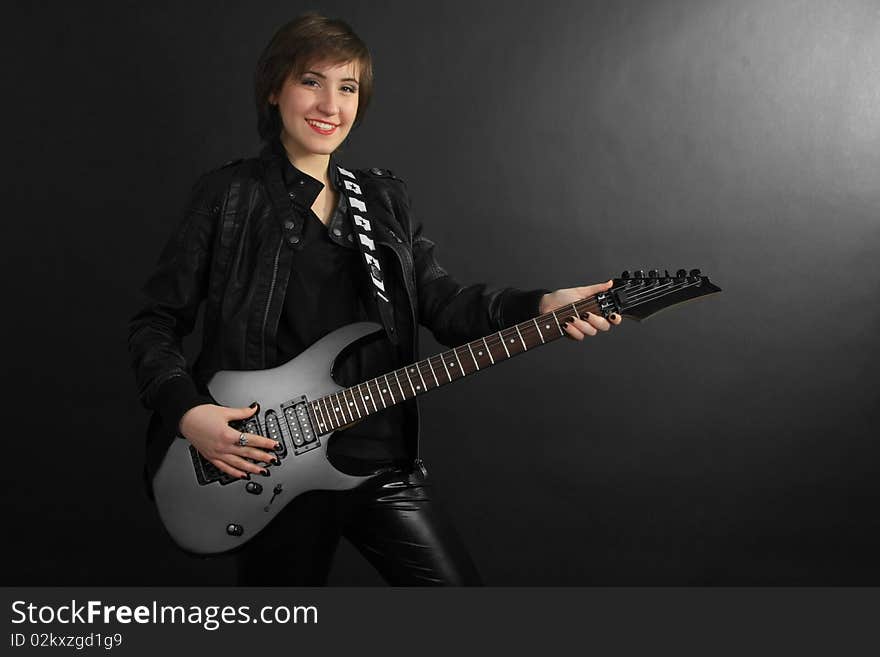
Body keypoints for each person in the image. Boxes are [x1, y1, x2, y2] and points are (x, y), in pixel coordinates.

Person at [127, 13, 622, 586]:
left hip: (379, 461)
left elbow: (444, 303)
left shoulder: (383, 200)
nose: (329, 105)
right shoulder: (228, 197)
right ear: (274, 89)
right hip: (270, 464)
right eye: (311, 81)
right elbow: (153, 325)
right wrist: (190, 415)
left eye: (348, 87)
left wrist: (540, 305)